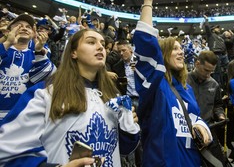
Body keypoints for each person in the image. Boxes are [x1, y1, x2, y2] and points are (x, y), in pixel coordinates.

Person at [0, 28, 140, 166]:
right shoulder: (45, 92)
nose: (100, 47)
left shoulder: (113, 95)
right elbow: (8, 150)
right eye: (91, 42)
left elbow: (123, 149)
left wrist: (127, 127)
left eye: (102, 44)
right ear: (73, 52)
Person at [133, 0, 212, 166]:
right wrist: (147, 2)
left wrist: (202, 126)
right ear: (163, 54)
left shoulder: (187, 88)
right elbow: (145, 45)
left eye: (181, 48)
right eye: (175, 48)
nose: (181, 52)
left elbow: (194, 116)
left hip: (191, 160)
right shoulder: (155, 83)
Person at [0, 14, 55, 121]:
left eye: (28, 27)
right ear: (7, 32)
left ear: (33, 33)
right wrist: (7, 43)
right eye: (19, 26)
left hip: (22, 119)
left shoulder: (38, 55)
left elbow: (49, 75)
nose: (24, 28)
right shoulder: (3, 49)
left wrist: (38, 50)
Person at [187, 50, 227, 167]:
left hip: (208, 129)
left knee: (218, 163)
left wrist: (220, 115)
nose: (209, 74)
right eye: (206, 70)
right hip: (188, 131)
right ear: (197, 64)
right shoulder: (183, 81)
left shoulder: (214, 84)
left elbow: (218, 105)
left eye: (211, 71)